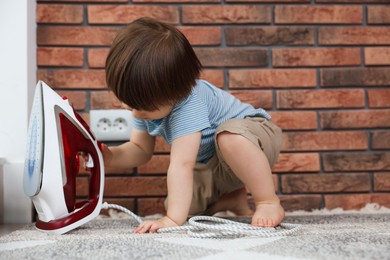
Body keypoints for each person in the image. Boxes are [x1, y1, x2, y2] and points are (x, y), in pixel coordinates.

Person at [103, 17, 284, 233]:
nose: (134, 111)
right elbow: (140, 150)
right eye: (128, 103)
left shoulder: (190, 102)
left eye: (142, 107)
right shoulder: (143, 103)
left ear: (176, 93)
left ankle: (268, 202)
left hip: (255, 139)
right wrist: (110, 156)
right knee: (181, 206)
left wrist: (171, 220)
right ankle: (232, 199)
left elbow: (182, 164)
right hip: (213, 163)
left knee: (229, 139)